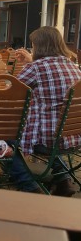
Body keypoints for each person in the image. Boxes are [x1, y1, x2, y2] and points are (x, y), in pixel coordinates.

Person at [10, 26, 81, 197]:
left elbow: (11, 94)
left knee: (1, 137)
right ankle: (63, 182)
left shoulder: (36, 68)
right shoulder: (74, 67)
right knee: (53, 135)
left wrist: (31, 63)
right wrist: (31, 61)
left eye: (33, 45)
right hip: (73, 136)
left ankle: (30, 187)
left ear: (39, 46)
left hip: (46, 139)